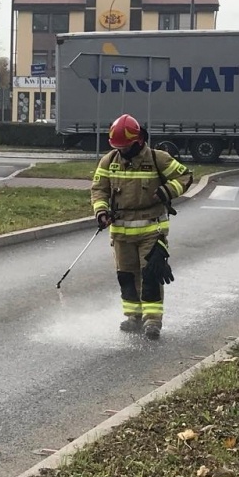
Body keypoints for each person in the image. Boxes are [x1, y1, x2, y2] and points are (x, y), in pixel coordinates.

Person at [90, 114, 193, 339]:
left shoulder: (157, 158)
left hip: (152, 230)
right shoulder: (109, 161)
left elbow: (185, 177)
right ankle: (133, 316)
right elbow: (99, 189)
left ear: (138, 141)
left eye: (125, 147)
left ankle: (153, 321)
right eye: (118, 147)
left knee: (150, 276)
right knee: (126, 276)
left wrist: (166, 191)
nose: (122, 151)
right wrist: (101, 211)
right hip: (120, 233)